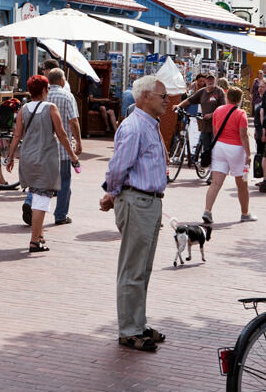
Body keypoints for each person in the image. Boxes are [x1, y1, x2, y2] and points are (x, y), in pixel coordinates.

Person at [99, 75, 168, 353]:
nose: (167, 100)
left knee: (142, 268)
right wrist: (112, 193)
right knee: (133, 269)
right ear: (145, 97)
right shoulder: (135, 127)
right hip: (137, 201)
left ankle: (138, 323)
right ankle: (129, 330)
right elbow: (118, 167)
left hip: (149, 201)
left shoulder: (148, 124)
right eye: (162, 95)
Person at [6, 74, 79, 253]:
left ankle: (39, 236)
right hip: (45, 159)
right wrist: (73, 156)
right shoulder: (50, 108)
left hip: (27, 158)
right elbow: (62, 134)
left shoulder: (23, 109)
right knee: (41, 200)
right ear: (45, 89)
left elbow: (16, 135)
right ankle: (34, 241)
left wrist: (9, 157)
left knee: (37, 194)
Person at [21, 67, 82, 227]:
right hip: (61, 150)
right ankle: (60, 215)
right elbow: (72, 122)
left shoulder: (34, 101)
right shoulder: (67, 96)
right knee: (64, 182)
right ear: (62, 81)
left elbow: (19, 132)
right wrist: (78, 143)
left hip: (38, 150)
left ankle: (30, 201)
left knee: (38, 180)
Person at [201, 87, 256, 224]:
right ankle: (245, 213)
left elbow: (215, 130)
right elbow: (243, 135)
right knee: (241, 183)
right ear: (239, 100)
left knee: (215, 182)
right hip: (236, 148)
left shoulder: (218, 111)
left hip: (219, 147)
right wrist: (248, 154)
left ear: (227, 97)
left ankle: (207, 210)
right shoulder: (241, 113)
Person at [177, 72, 225, 157]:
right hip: (205, 124)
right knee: (205, 145)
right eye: (208, 80)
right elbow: (190, 100)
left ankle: (211, 165)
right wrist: (178, 105)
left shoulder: (219, 92)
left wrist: (211, 114)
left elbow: (223, 108)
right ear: (206, 81)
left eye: (212, 80)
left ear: (215, 80)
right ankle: (201, 163)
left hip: (216, 125)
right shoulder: (202, 92)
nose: (210, 82)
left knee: (214, 147)